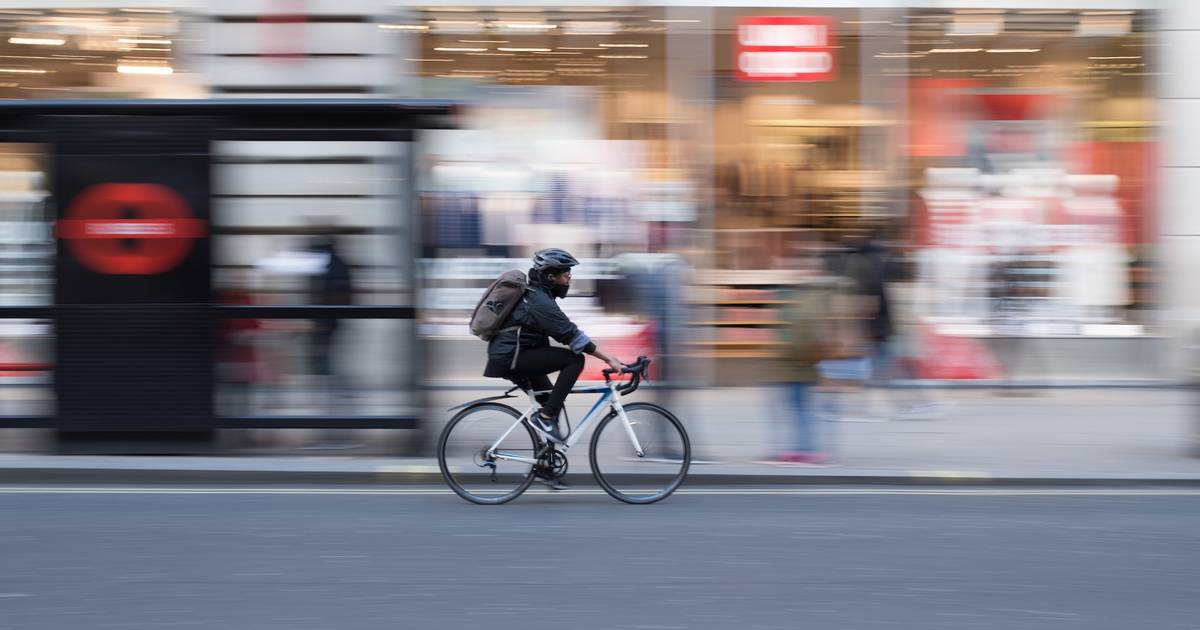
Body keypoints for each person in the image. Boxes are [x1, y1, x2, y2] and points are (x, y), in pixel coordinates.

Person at [484, 248, 625, 445]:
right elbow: (569, 334)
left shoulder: (539, 295)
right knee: (575, 359)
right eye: (566, 272)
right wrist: (608, 358)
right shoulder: (538, 301)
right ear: (551, 276)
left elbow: (563, 331)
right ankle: (545, 418)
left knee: (552, 402)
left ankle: (546, 466)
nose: (570, 277)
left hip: (516, 355)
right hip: (511, 357)